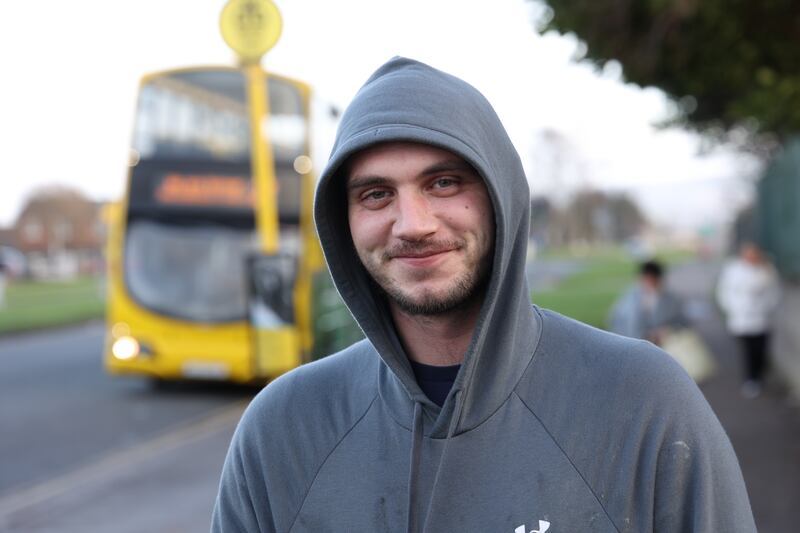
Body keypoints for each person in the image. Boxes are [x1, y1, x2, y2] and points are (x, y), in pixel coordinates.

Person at [212, 57, 754, 532]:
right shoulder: (281, 431)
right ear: (342, 221)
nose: (412, 224)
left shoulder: (644, 403)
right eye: (376, 194)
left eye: (443, 183)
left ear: (501, 197)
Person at [716, 241, 781, 398]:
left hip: (762, 318)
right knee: (748, 350)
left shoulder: (767, 270)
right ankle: (751, 379)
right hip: (741, 319)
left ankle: (759, 374)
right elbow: (724, 290)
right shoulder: (733, 269)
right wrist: (732, 308)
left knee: (760, 349)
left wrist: (768, 307)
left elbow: (774, 292)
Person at [609, 259, 689, 346]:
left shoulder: (670, 297)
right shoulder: (629, 302)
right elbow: (627, 330)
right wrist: (648, 336)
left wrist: (667, 330)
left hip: (662, 343)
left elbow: (682, 321)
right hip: (635, 344)